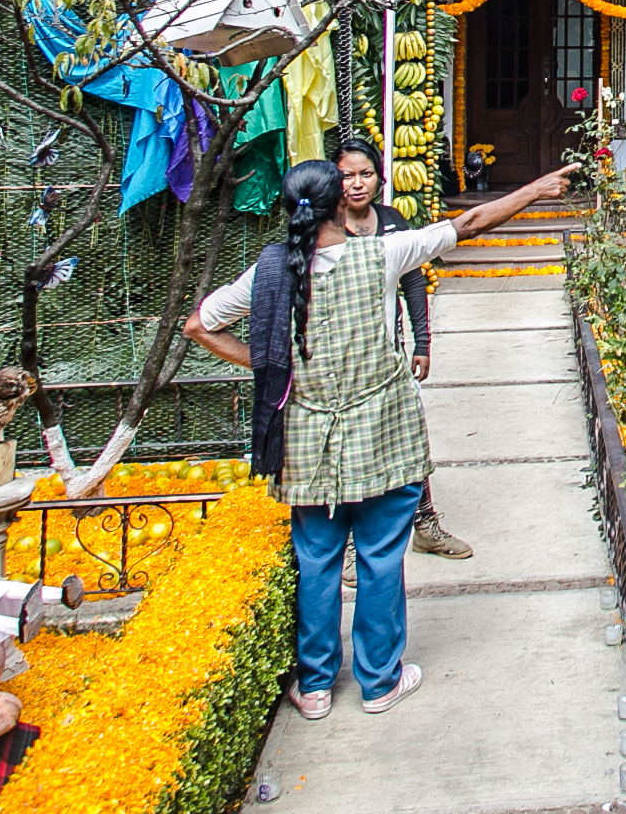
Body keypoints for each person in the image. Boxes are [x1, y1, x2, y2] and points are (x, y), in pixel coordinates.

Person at [184, 156, 576, 720]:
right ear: (339, 203)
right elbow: (468, 225)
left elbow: (200, 326)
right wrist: (536, 186)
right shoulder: (381, 254)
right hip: (383, 437)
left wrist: (275, 369)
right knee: (380, 557)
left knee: (316, 560)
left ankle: (316, 688)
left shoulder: (270, 272)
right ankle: (379, 682)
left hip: (307, 444)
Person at [336, 135, 467, 560]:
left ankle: (426, 524)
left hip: (388, 356)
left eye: (365, 174)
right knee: (349, 447)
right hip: (338, 363)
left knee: (411, 438)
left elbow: (414, 282)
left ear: (380, 177)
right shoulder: (326, 228)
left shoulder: (392, 221)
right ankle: (355, 544)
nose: (357, 184)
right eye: (346, 176)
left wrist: (421, 342)